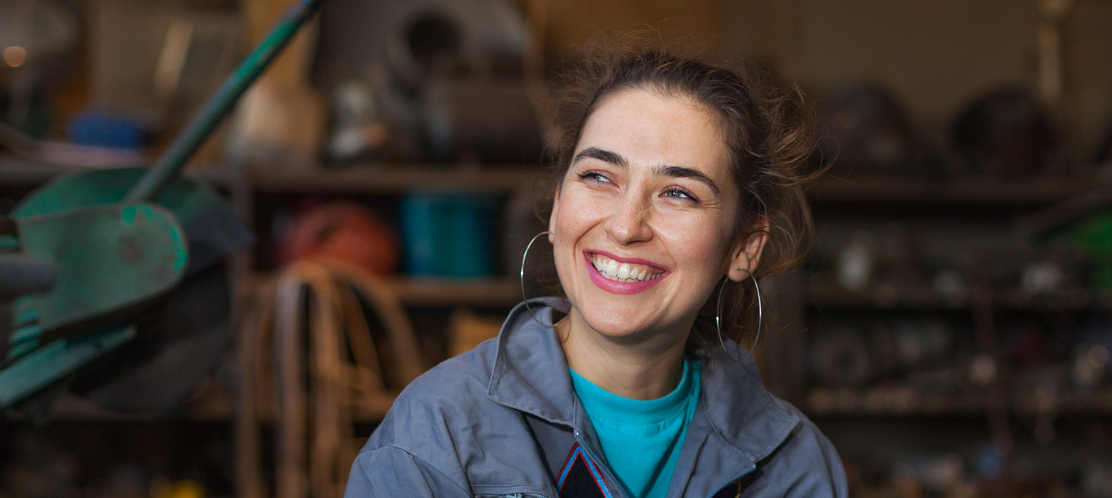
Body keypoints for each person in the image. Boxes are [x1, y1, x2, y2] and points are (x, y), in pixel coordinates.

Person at [346, 40, 847, 497]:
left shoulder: (796, 467)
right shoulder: (437, 433)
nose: (626, 226)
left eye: (678, 192)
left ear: (744, 246)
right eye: (599, 176)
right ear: (560, 201)